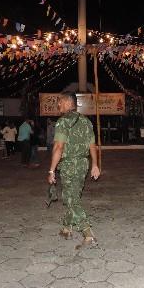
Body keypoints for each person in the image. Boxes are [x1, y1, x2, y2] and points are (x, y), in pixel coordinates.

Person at [47, 92, 100, 249]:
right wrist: (95, 165)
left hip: (69, 165)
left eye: (60, 102)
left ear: (69, 103)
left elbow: (58, 146)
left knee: (71, 199)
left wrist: (51, 170)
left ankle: (88, 234)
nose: (58, 105)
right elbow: (92, 146)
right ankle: (66, 228)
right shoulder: (86, 122)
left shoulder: (62, 122)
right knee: (73, 195)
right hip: (83, 164)